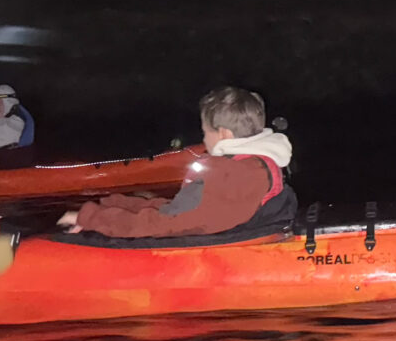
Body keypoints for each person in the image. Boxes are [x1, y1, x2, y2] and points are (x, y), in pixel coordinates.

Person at [57, 86, 295, 241]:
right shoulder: (254, 165)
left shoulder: (230, 174)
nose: (203, 139)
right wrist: (115, 204)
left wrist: (91, 217)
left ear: (223, 134)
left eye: (205, 132)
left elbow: (166, 224)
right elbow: (180, 211)